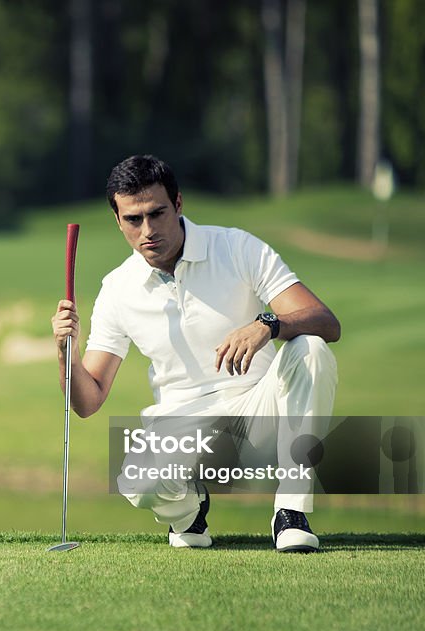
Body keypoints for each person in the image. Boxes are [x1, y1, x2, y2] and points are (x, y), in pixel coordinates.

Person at [51, 155, 340, 552]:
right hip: (183, 430)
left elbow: (327, 321)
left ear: (179, 204)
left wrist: (269, 324)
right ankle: (190, 512)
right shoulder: (117, 288)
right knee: (135, 479)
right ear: (118, 220)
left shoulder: (236, 247)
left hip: (261, 414)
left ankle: (290, 512)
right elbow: (88, 400)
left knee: (310, 348)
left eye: (158, 213)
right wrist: (67, 352)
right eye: (134, 220)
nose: (148, 230)